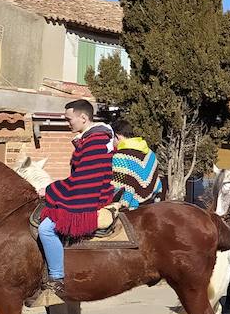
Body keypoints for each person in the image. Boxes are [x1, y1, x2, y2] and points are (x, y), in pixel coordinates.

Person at [37, 100, 116, 290]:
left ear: (83, 117)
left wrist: (49, 190)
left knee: (46, 229)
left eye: (69, 119)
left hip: (93, 199)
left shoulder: (95, 142)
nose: (67, 123)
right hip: (93, 193)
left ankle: (57, 278)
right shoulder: (90, 139)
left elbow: (84, 181)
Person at [111, 118, 163, 209]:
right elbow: (153, 181)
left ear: (117, 136)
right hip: (150, 206)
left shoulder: (120, 157)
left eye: (111, 138)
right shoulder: (150, 153)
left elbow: (118, 188)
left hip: (131, 211)